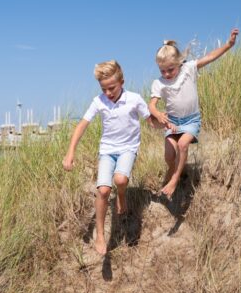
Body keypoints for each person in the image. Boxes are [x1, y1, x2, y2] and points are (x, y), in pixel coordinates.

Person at [63, 60, 170, 255]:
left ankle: (121, 196)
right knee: (103, 190)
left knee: (120, 179)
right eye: (104, 89)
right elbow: (82, 126)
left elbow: (152, 123)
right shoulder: (99, 101)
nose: (108, 93)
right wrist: (70, 152)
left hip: (128, 148)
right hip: (107, 150)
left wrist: (165, 122)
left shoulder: (134, 99)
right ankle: (101, 236)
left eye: (112, 88)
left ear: (122, 81)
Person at [150, 28, 239, 198]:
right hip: (172, 122)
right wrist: (158, 114)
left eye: (170, 69)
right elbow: (152, 105)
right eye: (163, 71)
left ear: (179, 63)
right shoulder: (159, 83)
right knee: (169, 156)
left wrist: (228, 44)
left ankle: (175, 179)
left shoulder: (189, 69)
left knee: (183, 145)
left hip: (191, 120)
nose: (167, 74)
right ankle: (175, 170)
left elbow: (210, 57)